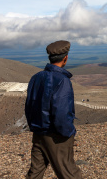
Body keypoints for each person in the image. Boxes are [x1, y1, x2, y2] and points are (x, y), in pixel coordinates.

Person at [25, 40, 82, 179]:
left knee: (35, 173)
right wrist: (68, 132)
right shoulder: (62, 80)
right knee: (69, 173)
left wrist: (35, 126)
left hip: (38, 133)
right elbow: (61, 112)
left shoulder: (36, 77)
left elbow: (29, 105)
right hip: (56, 135)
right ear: (65, 58)